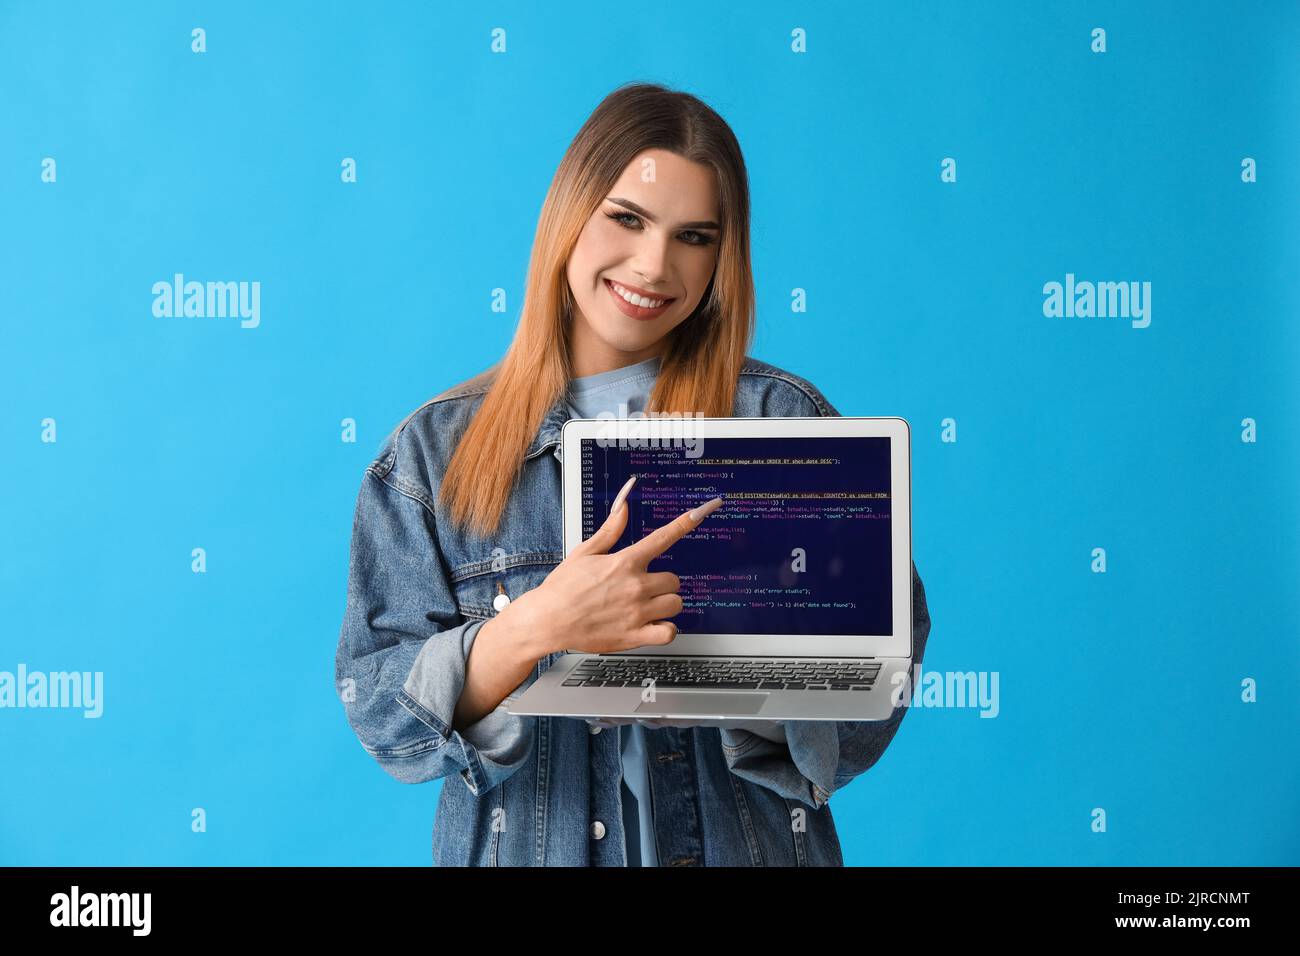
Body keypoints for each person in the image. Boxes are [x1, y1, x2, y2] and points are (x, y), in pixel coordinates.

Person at [334, 81, 932, 866]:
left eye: (695, 236)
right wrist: (535, 630)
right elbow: (381, 713)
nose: (654, 266)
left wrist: (731, 683)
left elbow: (884, 680)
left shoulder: (779, 421)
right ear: (570, 215)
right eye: (627, 219)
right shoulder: (433, 453)